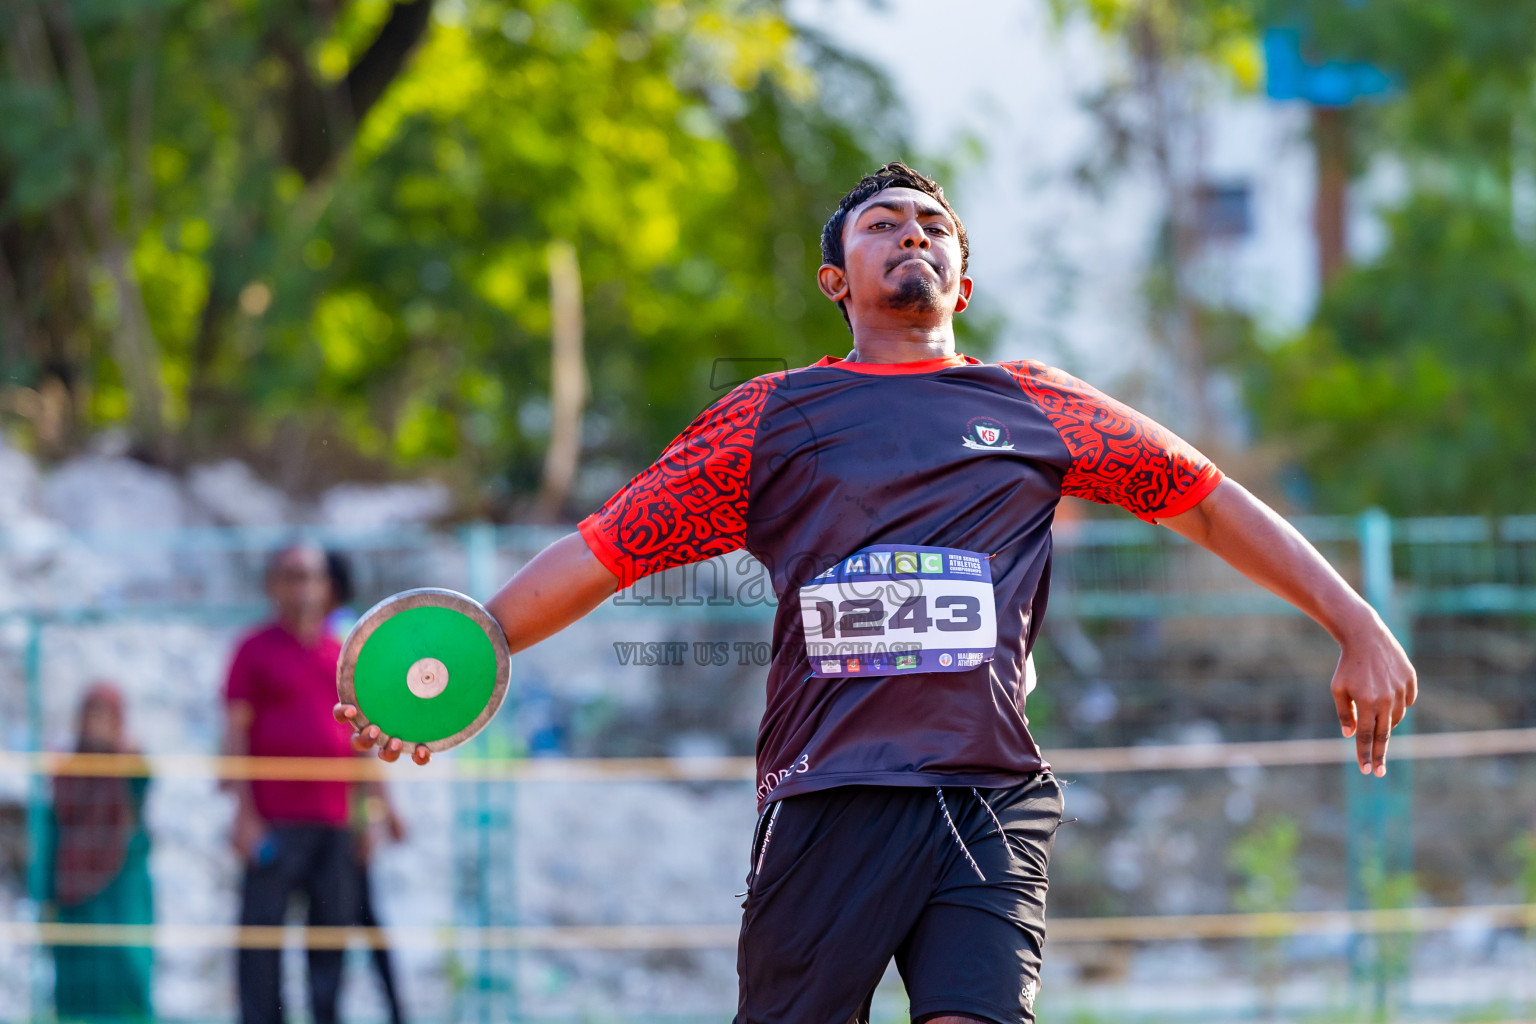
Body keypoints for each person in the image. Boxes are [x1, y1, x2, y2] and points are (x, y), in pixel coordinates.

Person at [338, 162, 1417, 1024]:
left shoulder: (1040, 406)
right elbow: (610, 546)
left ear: (965, 278)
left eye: (933, 226)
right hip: (828, 796)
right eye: (883, 226)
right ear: (835, 282)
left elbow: (1210, 502)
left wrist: (1353, 617)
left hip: (987, 797)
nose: (913, 236)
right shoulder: (775, 416)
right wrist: (468, 649)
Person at [225, 543, 358, 1024]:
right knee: (260, 949)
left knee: (329, 948)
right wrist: (244, 815)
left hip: (334, 823)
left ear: (328, 587)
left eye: (312, 577)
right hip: (273, 822)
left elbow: (364, 742)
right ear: (273, 584)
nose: (303, 587)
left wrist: (376, 813)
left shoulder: (345, 653)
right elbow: (235, 734)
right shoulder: (252, 650)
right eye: (292, 576)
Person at [324, 548, 410, 1024]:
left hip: (344, 812)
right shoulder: (340, 634)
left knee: (348, 921)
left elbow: (356, 738)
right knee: (359, 920)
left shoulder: (339, 640)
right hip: (342, 809)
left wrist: (375, 812)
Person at [40, 682, 154, 1023]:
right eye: (91, 716)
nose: (97, 725)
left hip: (120, 891)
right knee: (78, 976)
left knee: (124, 971)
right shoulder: (67, 772)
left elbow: (141, 792)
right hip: (75, 892)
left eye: (105, 717)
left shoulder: (129, 767)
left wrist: (130, 759)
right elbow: (51, 830)